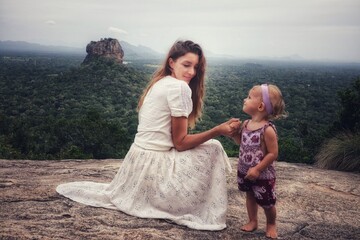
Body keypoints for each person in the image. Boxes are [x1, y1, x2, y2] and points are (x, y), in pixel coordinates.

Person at [56, 40, 240, 231]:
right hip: (155, 169)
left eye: (196, 68)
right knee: (214, 146)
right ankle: (205, 207)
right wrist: (217, 130)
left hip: (137, 163)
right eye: (186, 65)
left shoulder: (160, 82)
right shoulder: (179, 88)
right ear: (171, 63)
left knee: (209, 144)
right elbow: (180, 143)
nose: (192, 72)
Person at [231, 84, 287, 238]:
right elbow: (240, 142)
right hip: (244, 170)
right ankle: (253, 220)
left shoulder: (267, 129)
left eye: (249, 97)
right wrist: (234, 133)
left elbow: (273, 153)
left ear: (261, 106)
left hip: (262, 174)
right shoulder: (246, 124)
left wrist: (257, 169)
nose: (245, 99)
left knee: (267, 202)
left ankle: (271, 223)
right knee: (250, 196)